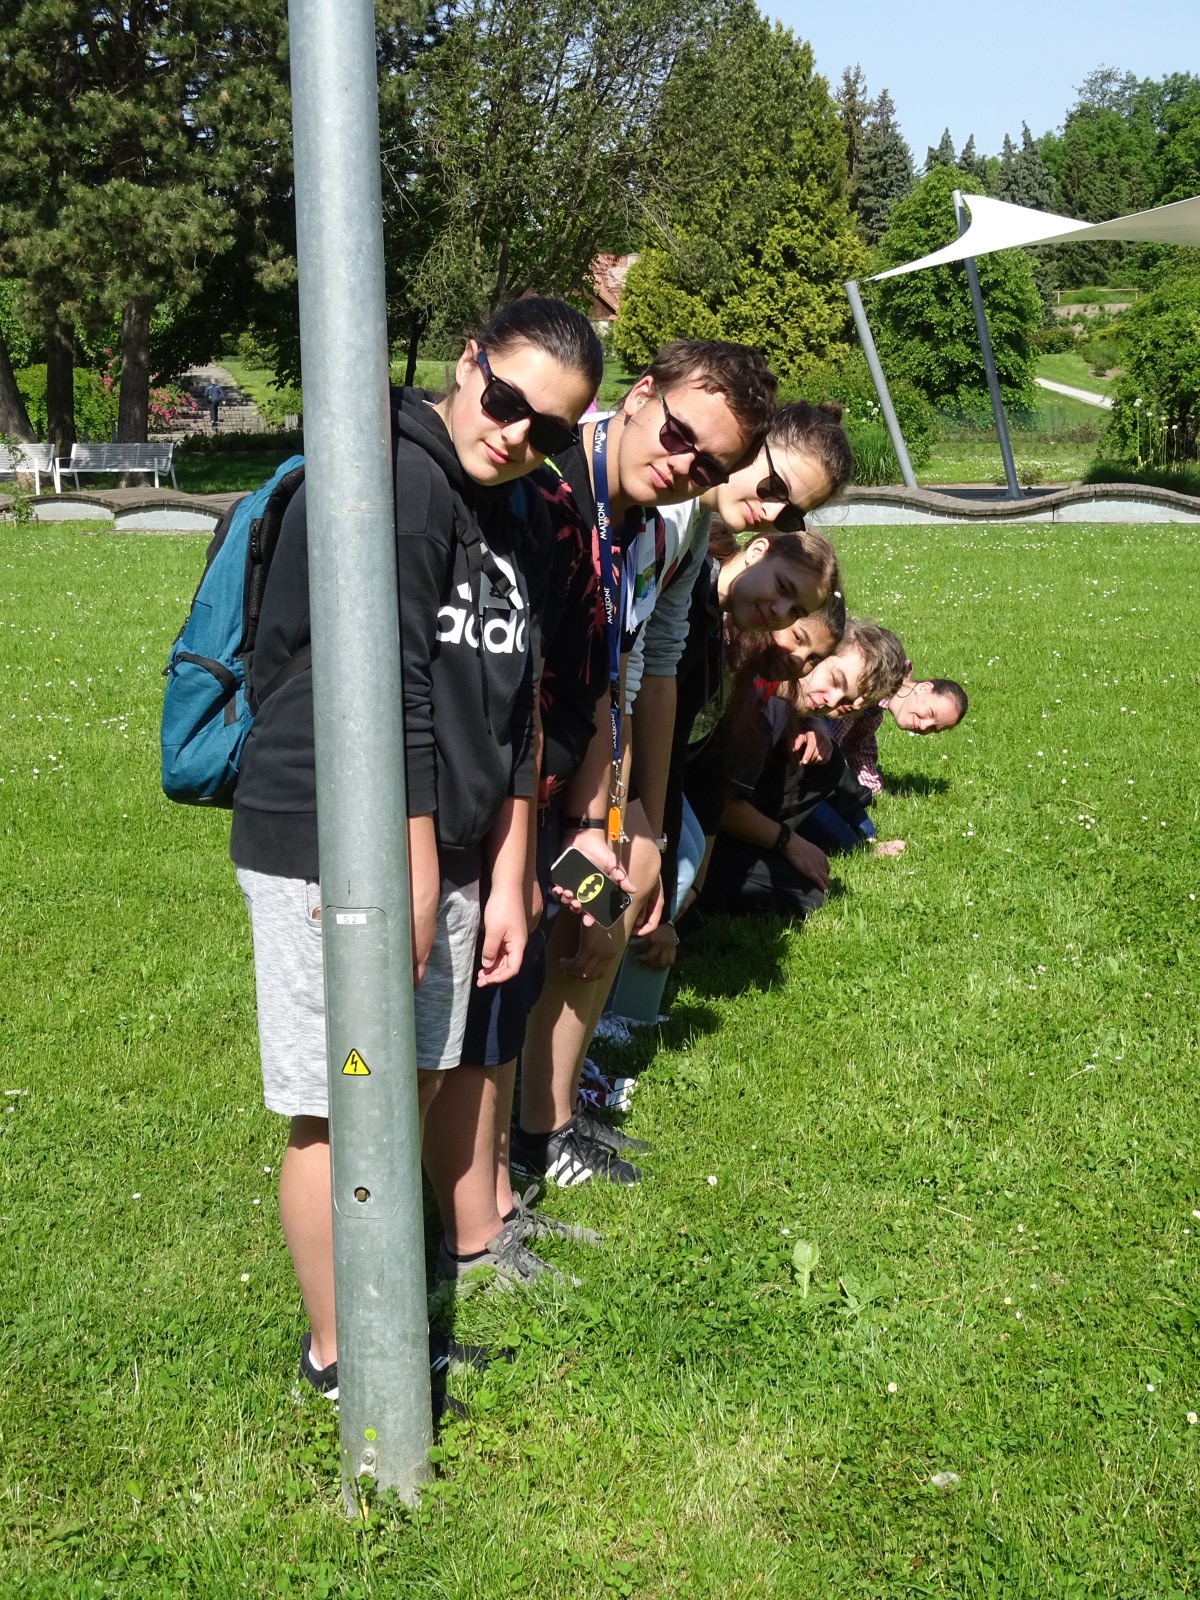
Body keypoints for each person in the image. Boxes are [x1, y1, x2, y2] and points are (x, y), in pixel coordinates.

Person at [230, 297, 602, 1397]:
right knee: (343, 1102)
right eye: (506, 401)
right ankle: (346, 1356)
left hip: (456, 847)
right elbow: (381, 690)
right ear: (468, 360)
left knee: (421, 1080)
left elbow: (522, 700)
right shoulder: (394, 478)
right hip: (334, 841)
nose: (518, 434)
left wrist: (509, 874)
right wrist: (416, 868)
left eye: (550, 429)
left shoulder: (515, 505)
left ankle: (389, 1312)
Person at [513, 398, 853, 1188]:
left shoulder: (688, 527)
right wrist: (619, 816)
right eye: (772, 486)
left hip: (594, 755)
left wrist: (646, 827)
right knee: (587, 909)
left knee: (613, 901)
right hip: (540, 758)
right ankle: (534, 1122)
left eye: (791, 510)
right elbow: (617, 672)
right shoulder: (657, 508)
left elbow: (647, 673)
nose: (771, 511)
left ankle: (549, 1114)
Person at [695, 619, 908, 919]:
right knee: (800, 892)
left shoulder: (789, 704)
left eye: (847, 703)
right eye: (835, 680)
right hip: (693, 820)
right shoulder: (759, 701)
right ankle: (698, 877)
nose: (831, 701)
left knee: (828, 762)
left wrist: (812, 720)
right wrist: (787, 842)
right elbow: (717, 803)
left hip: (717, 812)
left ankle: (747, 850)